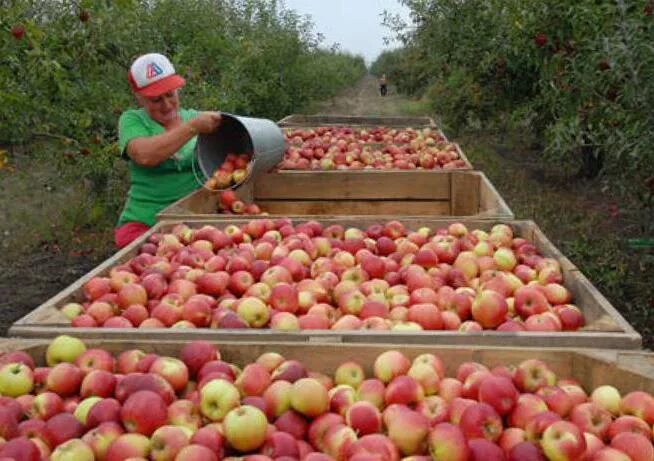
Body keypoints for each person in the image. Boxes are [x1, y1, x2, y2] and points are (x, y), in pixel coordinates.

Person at [115, 52, 222, 248]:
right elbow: (145, 155)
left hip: (194, 222)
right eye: (156, 100)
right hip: (146, 224)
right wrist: (192, 128)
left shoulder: (198, 118)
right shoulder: (132, 120)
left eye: (170, 94)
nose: (166, 105)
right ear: (139, 98)